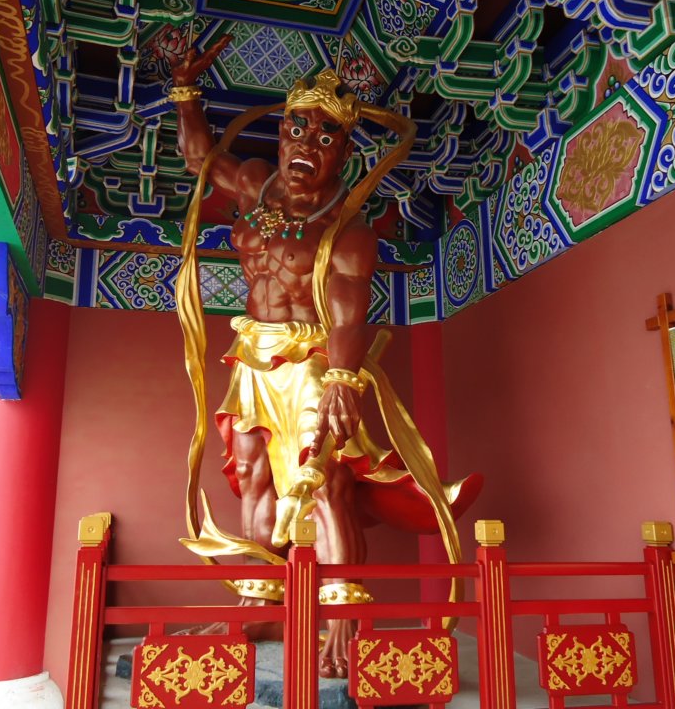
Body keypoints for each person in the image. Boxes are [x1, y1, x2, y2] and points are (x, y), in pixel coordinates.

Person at [170, 36, 476, 678]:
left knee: (326, 481)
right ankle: (260, 606)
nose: (306, 145)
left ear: (344, 153)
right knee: (253, 476)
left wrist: (341, 380)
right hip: (252, 354)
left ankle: (343, 619)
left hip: (314, 360)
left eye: (325, 136)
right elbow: (199, 157)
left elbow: (346, 315)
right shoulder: (253, 185)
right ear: (280, 132)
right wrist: (186, 92)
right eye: (296, 129)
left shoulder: (348, 231)